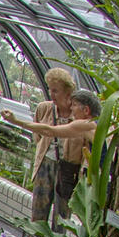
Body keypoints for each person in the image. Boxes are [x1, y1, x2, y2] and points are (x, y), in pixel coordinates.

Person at [25, 67, 76, 224]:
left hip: (67, 169)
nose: (52, 94)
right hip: (45, 163)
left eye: (56, 91)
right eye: (50, 90)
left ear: (67, 93)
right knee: (38, 212)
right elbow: (38, 134)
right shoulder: (44, 108)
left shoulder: (77, 115)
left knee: (61, 217)